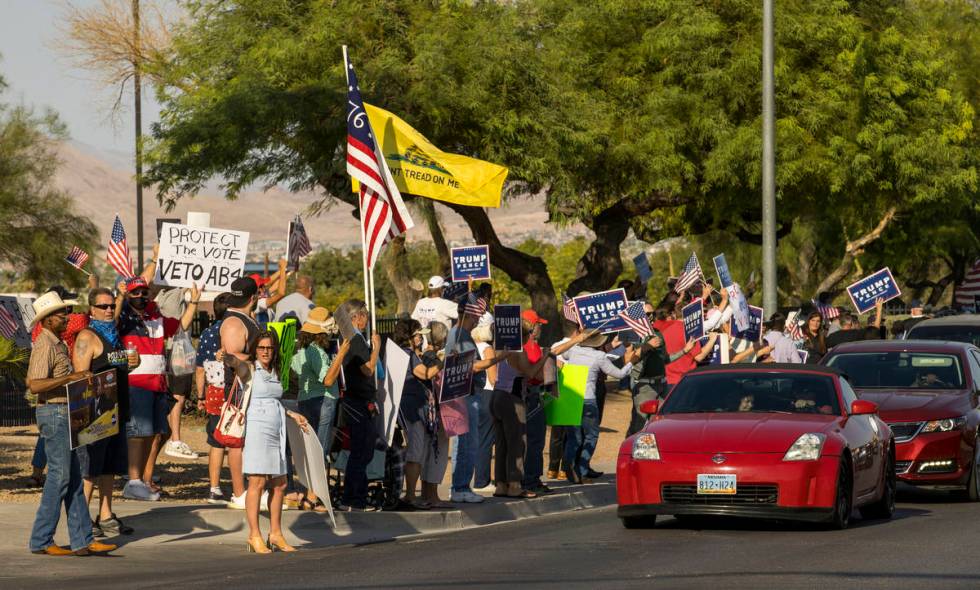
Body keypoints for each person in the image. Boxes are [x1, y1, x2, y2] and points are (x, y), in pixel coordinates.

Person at [26, 291, 116, 556]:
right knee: (60, 476)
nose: (66, 316)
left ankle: (82, 539)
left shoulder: (57, 344)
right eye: (61, 313)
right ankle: (42, 539)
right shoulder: (44, 344)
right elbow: (34, 384)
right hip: (53, 414)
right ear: (48, 319)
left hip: (64, 413)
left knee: (74, 478)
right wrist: (71, 378)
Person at [219, 331, 310, 553]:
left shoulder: (275, 371)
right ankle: (254, 535)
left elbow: (274, 401)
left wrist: (291, 415)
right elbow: (236, 365)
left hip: (277, 428)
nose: (266, 351)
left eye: (269, 347)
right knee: (257, 483)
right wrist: (228, 357)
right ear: (255, 350)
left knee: (280, 484)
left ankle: (276, 533)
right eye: (261, 347)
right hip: (258, 429)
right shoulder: (250, 369)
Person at [117, 276, 200, 502]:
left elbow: (181, 325)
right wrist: (120, 297)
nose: (141, 296)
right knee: (138, 433)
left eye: (144, 292)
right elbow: (112, 320)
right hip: (136, 383)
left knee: (155, 433)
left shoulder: (157, 317)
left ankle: (142, 480)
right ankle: (133, 482)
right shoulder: (124, 317)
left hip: (158, 383)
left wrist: (193, 302)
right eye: (135, 292)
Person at [72, 287, 137, 538]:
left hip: (117, 409)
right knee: (90, 468)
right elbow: (80, 378)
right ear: (92, 309)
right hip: (96, 414)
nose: (109, 310)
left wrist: (133, 365)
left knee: (110, 466)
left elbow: (118, 370)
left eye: (111, 305)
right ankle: (81, 519)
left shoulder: (114, 336)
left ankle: (106, 514)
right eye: (103, 306)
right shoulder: (87, 337)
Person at [491, 322, 583, 498]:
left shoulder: (502, 349)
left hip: (497, 396)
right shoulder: (520, 351)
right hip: (512, 398)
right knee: (517, 444)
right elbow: (531, 373)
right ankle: (515, 485)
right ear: (525, 336)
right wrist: (545, 358)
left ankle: (501, 485)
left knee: (502, 443)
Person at [447, 295, 508, 504]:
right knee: (466, 443)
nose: (477, 321)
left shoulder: (461, 334)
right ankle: (461, 487)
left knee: (466, 443)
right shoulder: (460, 335)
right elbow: (470, 365)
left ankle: (460, 486)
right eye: (475, 317)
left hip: (467, 393)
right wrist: (497, 359)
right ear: (466, 315)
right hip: (466, 395)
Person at [560, 331, 639, 484]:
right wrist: (632, 361)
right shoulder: (599, 357)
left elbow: (563, 355)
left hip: (572, 396)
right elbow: (619, 374)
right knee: (591, 435)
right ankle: (581, 469)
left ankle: (568, 464)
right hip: (588, 398)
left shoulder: (573, 350)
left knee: (573, 437)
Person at [291, 307, 348, 511]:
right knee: (320, 449)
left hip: (306, 400)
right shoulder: (317, 351)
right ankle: (313, 497)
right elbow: (328, 379)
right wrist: (341, 353)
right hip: (323, 401)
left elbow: (296, 372)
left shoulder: (303, 350)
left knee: (310, 449)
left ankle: (308, 494)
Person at [194, 293, 244, 505]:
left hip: (213, 390)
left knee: (216, 441)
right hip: (232, 390)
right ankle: (238, 488)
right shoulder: (235, 330)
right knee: (236, 440)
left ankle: (214, 488)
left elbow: (199, 369)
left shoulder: (206, 333)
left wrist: (200, 396)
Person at [220, 277, 262, 508]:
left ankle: (250, 489)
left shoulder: (244, 318)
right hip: (240, 389)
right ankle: (239, 493)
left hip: (251, 387)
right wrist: (262, 357)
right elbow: (233, 356)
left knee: (248, 440)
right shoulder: (234, 323)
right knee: (236, 441)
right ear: (253, 298)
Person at [337, 299, 382, 512]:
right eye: (364, 315)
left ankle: (357, 496)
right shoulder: (354, 338)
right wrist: (376, 349)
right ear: (356, 317)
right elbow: (368, 369)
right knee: (361, 451)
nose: (366, 320)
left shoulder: (352, 337)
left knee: (362, 451)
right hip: (357, 399)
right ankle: (353, 498)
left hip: (357, 398)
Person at [392, 319, 441, 509]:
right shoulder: (408, 354)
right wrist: (442, 362)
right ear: (409, 337)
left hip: (411, 406)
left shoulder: (402, 353)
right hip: (413, 409)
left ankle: (412, 494)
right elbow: (426, 374)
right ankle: (411, 495)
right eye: (418, 334)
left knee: (417, 451)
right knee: (416, 451)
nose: (421, 337)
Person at [520, 309, 551, 495]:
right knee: (535, 439)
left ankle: (532, 478)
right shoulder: (530, 346)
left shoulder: (531, 345)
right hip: (532, 395)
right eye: (539, 324)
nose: (541, 327)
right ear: (532, 327)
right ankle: (531, 479)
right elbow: (533, 373)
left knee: (534, 439)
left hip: (531, 394)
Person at [471, 317, 497, 491]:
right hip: (488, 393)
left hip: (474, 395)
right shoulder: (487, 349)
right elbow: (493, 378)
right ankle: (482, 480)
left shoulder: (470, 347)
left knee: (477, 439)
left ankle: (479, 479)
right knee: (486, 440)